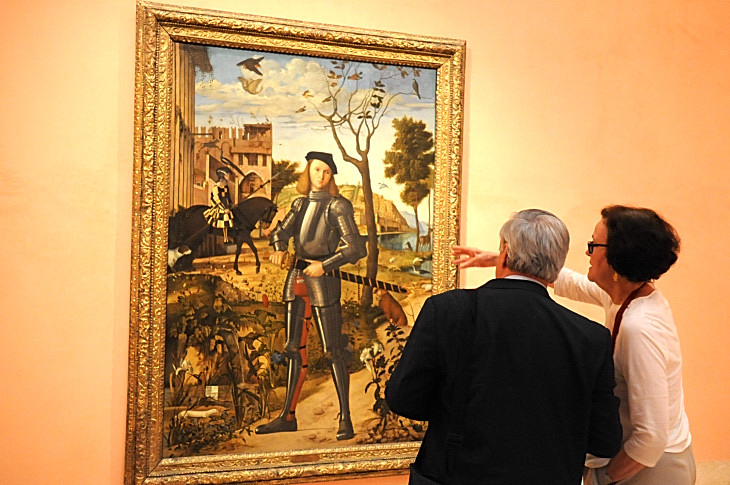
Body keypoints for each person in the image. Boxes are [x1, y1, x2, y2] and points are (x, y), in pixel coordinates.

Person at [453, 205, 695, 485]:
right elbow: (574, 283)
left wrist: (604, 478)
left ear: (616, 256)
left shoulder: (639, 327)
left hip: (649, 468)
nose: (587, 253)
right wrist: (508, 260)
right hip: (638, 460)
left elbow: (651, 438)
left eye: (593, 245)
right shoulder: (626, 295)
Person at [388, 209, 622, 484]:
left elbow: (404, 399)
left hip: (455, 474)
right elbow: (604, 440)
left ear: (505, 253)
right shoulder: (590, 338)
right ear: (558, 266)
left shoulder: (447, 310)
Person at [255, 151, 366, 440]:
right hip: (296, 279)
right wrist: (279, 248)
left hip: (324, 282)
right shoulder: (300, 204)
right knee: (293, 348)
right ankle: (287, 417)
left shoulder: (338, 206)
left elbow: (356, 248)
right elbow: (280, 233)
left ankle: (345, 418)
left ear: (331, 177)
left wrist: (324, 265)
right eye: (317, 170)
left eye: (327, 172)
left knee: (332, 351)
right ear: (308, 171)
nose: (321, 176)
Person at [203, 166, 234, 243]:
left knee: (226, 224)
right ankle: (222, 239)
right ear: (222, 175)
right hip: (219, 208)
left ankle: (226, 238)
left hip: (226, 207)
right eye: (227, 174)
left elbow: (228, 197)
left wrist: (230, 204)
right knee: (220, 223)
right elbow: (217, 200)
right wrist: (223, 209)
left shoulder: (226, 186)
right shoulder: (216, 187)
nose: (229, 176)